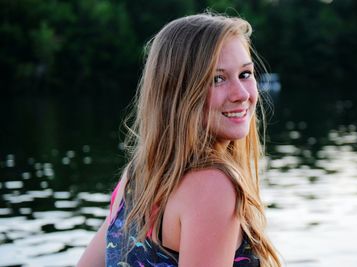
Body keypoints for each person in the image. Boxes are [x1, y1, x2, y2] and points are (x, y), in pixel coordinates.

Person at [77, 12, 281, 267]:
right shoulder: (212, 187)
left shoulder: (138, 176)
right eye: (217, 79)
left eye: (245, 74)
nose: (241, 94)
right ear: (178, 93)